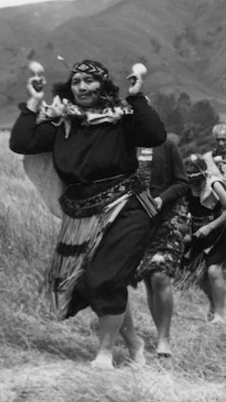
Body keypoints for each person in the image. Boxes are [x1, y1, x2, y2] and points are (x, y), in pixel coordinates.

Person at [10, 59, 166, 369]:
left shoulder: (122, 119)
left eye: (90, 81)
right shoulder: (63, 123)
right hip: (82, 215)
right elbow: (22, 142)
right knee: (98, 281)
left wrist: (136, 96)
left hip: (127, 207)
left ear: (104, 86)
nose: (82, 86)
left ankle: (105, 354)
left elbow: (154, 135)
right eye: (77, 81)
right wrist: (33, 102)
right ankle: (134, 342)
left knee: (104, 278)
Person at [133, 138, 189, 358]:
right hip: (138, 219)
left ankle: (164, 339)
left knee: (159, 275)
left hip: (167, 217)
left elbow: (182, 183)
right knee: (148, 277)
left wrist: (161, 199)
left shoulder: (167, 145)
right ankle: (160, 334)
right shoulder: (126, 144)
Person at [181, 154, 226, 323]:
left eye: (197, 182)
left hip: (218, 230)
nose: (195, 186)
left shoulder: (215, 185)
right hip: (198, 232)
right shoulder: (185, 187)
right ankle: (213, 304)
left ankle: (220, 315)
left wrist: (210, 226)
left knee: (213, 270)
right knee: (198, 275)